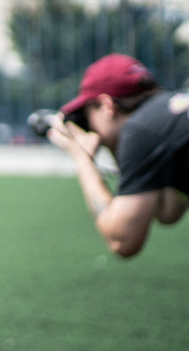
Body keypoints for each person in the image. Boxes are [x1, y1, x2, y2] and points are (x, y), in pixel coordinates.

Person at [48, 53, 189, 258]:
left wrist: (82, 158)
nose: (93, 129)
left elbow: (122, 240)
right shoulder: (167, 119)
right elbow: (168, 212)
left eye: (88, 118)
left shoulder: (140, 129)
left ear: (106, 106)